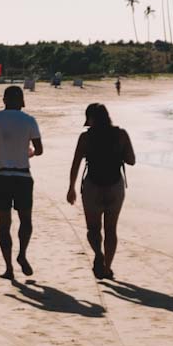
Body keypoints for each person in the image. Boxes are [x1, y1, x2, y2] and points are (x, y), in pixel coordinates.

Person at [0, 86, 43, 280]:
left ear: (4, 100)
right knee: (26, 220)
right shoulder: (29, 121)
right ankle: (22, 254)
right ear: (21, 101)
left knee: (4, 225)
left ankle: (9, 267)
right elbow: (39, 149)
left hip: (0, 176)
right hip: (22, 177)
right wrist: (28, 152)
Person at [66, 103, 135, 280]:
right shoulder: (121, 134)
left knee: (93, 229)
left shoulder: (85, 138)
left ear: (90, 119)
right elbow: (131, 160)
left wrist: (71, 188)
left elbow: (76, 163)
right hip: (115, 186)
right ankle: (107, 268)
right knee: (111, 230)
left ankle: (98, 254)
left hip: (92, 187)